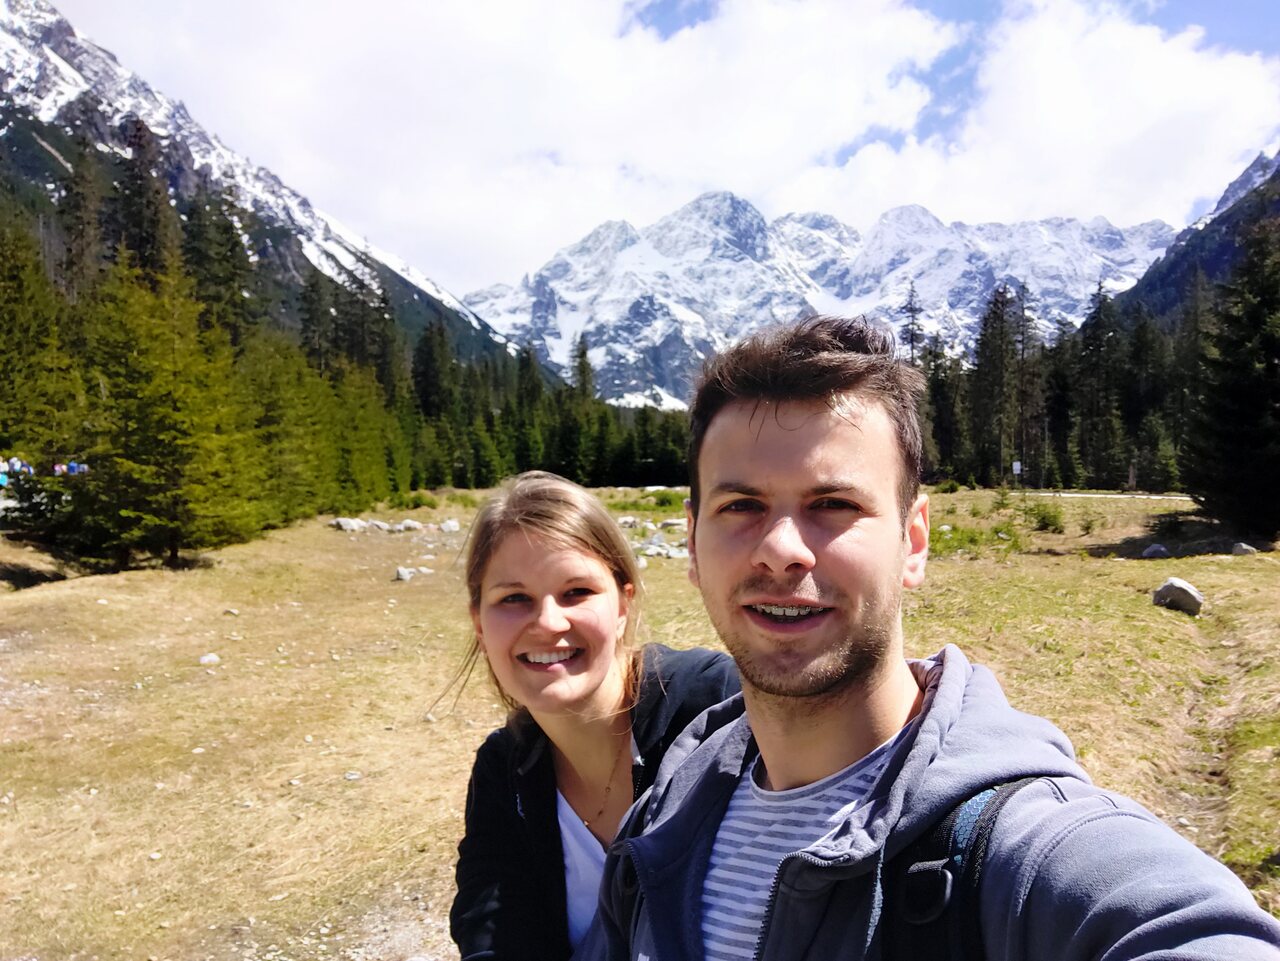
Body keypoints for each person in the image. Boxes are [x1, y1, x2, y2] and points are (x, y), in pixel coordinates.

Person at [586, 317, 1280, 961]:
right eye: (742, 505)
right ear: (693, 544)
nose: (781, 550)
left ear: (913, 540)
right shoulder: (665, 816)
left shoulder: (1019, 847)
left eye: (834, 504)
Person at [449, 471, 740, 961]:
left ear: (623, 604)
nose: (548, 622)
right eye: (514, 598)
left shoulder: (716, 705)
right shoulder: (504, 768)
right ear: (480, 623)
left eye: (577, 592)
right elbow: (489, 924)